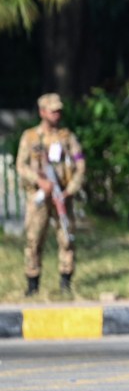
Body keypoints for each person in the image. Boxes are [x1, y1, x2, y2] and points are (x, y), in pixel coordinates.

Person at [16, 93, 86, 296]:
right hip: (38, 198)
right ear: (42, 112)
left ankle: (65, 283)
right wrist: (40, 182)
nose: (57, 114)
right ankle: (32, 286)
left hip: (62, 196)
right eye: (53, 110)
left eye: (59, 110)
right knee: (33, 240)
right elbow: (21, 165)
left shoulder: (67, 137)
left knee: (66, 238)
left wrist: (69, 190)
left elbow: (80, 164)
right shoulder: (30, 137)